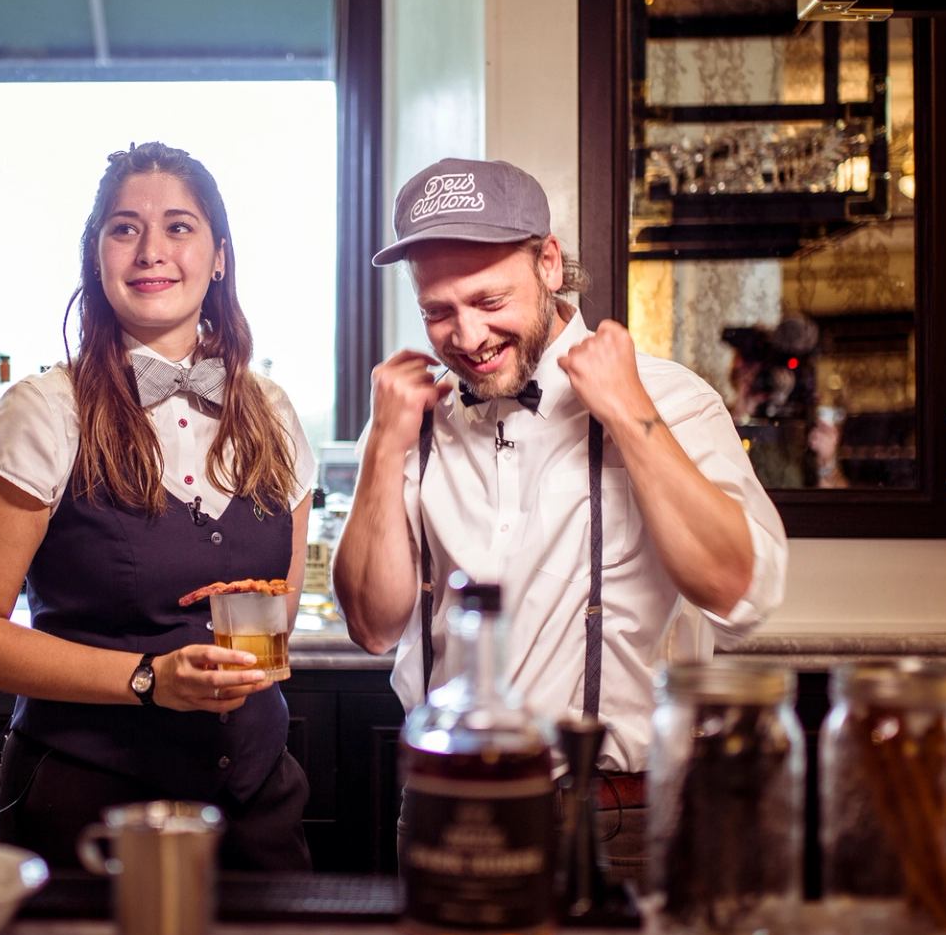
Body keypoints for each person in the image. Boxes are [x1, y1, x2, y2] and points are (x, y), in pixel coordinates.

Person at [332, 157, 788, 791]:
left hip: (616, 812)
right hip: (445, 798)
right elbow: (372, 627)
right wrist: (381, 446)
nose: (468, 336)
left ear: (549, 263)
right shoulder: (409, 420)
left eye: (490, 300)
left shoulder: (671, 399)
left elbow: (742, 598)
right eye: (439, 311)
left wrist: (631, 415)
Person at [0, 142, 316, 872]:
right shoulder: (43, 412)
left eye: (178, 227)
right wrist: (149, 679)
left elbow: (280, 610)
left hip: (258, 808)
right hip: (90, 818)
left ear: (219, 255)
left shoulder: (271, 409)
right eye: (123, 228)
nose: (151, 251)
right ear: (96, 256)